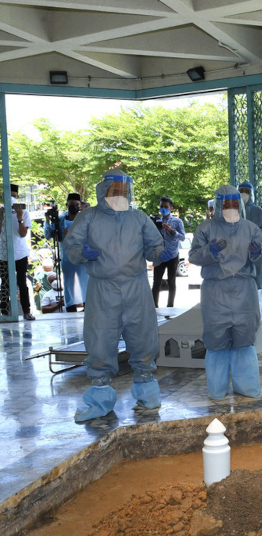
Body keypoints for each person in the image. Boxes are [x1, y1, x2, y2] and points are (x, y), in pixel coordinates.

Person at [64, 169, 167, 421]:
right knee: (100, 340)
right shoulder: (88, 217)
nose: (119, 195)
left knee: (143, 338)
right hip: (102, 288)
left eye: (123, 191)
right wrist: (81, 253)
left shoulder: (139, 218)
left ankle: (148, 396)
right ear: (104, 191)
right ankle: (100, 398)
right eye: (114, 191)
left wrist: (158, 252)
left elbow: (154, 245)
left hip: (137, 287)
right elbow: (72, 246)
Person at [189, 185, 262, 400]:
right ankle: (217, 389)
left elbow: (261, 258)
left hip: (245, 290)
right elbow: (194, 256)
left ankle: (247, 387)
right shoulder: (206, 228)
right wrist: (209, 252)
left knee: (245, 338)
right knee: (216, 339)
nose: (231, 208)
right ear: (218, 205)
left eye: (235, 203)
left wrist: (258, 254)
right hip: (216, 291)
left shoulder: (251, 228)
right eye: (226, 204)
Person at [43, 192, 88, 312]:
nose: (74, 206)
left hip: (81, 254)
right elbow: (48, 234)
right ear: (66, 204)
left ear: (80, 205)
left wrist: (73, 234)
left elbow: (90, 235)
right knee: (68, 282)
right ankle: (70, 306)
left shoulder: (85, 218)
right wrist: (47, 221)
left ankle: (87, 304)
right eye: (71, 204)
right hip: (66, 255)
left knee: (85, 280)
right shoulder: (61, 219)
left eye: (76, 204)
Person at [238, 181, 262, 290]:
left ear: (251, 193)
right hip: (238, 252)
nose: (244, 194)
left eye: (246, 191)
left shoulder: (259, 212)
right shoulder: (234, 211)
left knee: (258, 287)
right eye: (241, 191)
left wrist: (256, 236)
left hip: (256, 251)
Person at [152, 196, 186, 308]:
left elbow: (182, 237)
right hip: (159, 256)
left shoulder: (177, 221)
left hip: (173, 255)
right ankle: (154, 307)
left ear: (171, 208)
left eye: (166, 207)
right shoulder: (156, 221)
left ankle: (170, 307)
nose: (163, 209)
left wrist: (172, 231)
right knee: (156, 283)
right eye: (161, 207)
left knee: (172, 283)